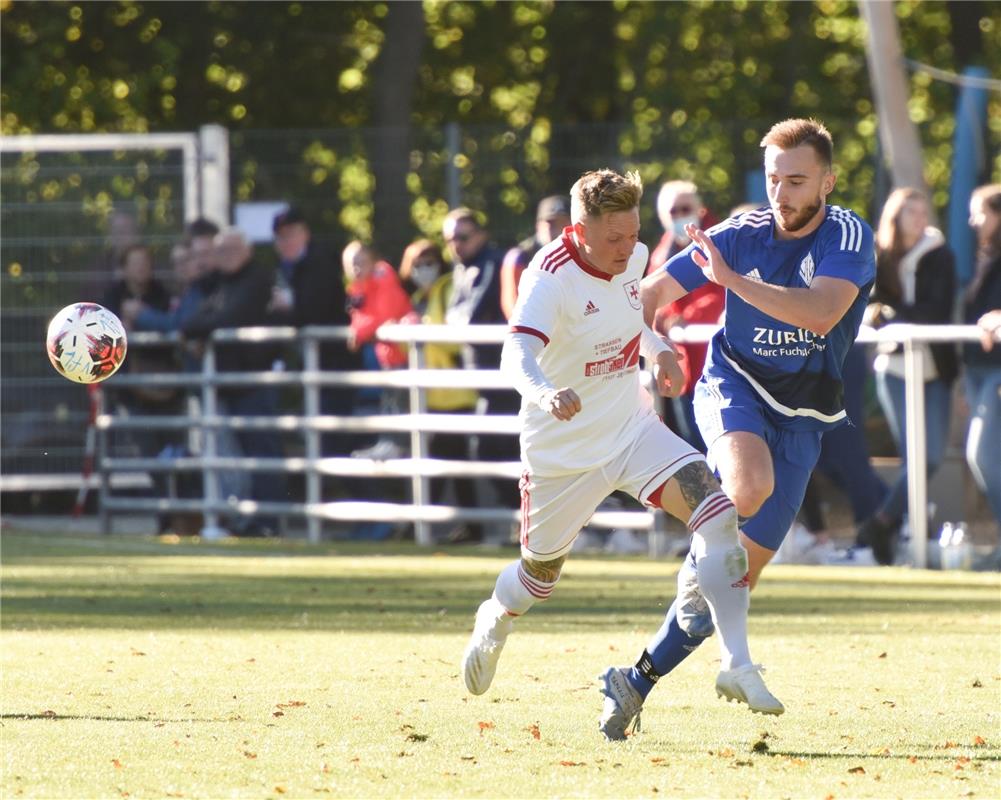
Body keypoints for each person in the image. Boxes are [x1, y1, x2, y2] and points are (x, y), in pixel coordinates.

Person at [460, 168, 782, 741]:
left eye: (633, 235)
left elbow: (634, 318)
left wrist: (657, 350)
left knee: (718, 511)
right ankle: (494, 618)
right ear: (579, 231)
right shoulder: (549, 277)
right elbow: (516, 351)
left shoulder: (631, 258)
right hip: (563, 455)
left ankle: (737, 662)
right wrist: (544, 393)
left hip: (631, 431)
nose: (627, 249)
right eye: (613, 239)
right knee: (538, 580)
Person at [622, 118, 875, 732]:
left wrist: (730, 283)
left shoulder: (849, 235)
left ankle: (633, 681)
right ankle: (704, 572)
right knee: (748, 484)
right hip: (732, 385)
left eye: (796, 180)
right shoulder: (738, 234)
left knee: (732, 583)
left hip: (806, 416)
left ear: (827, 181)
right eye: (772, 180)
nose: (781, 194)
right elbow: (647, 297)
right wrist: (655, 348)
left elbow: (819, 313)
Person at [856, 188, 958, 565]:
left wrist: (891, 316)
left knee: (928, 457)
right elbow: (867, 304)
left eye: (922, 211)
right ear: (894, 217)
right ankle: (902, 530)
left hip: (936, 368)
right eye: (909, 212)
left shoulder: (940, 255)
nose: (918, 218)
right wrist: (878, 314)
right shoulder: (879, 255)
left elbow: (936, 310)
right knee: (913, 459)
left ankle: (882, 522)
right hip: (894, 368)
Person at [182, 227, 287, 536]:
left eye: (231, 250)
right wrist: (201, 330)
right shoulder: (222, 283)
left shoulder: (256, 280)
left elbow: (227, 319)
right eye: (220, 251)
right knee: (234, 458)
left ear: (247, 251)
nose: (224, 257)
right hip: (230, 384)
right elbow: (191, 321)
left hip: (253, 382)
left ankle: (268, 522)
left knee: (262, 454)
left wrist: (202, 331)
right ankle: (245, 519)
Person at [443, 208, 519, 537]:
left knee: (493, 448)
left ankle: (529, 520)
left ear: (481, 235)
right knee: (489, 450)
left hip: (506, 379)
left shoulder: (492, 262)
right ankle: (524, 518)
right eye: (450, 239)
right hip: (485, 381)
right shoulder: (462, 269)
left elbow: (468, 317)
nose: (456, 245)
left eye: (463, 237)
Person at [399, 239, 481, 539]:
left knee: (443, 461)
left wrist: (421, 331)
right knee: (450, 462)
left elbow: (453, 339)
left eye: (429, 262)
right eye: (417, 265)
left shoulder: (447, 288)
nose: (424, 270)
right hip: (433, 394)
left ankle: (417, 525)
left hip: (456, 393)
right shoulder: (420, 296)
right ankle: (471, 526)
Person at [269, 207, 360, 455]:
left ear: (305, 234)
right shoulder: (285, 269)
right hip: (313, 364)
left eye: (291, 235)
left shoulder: (319, 264)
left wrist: (287, 308)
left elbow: (313, 313)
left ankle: (358, 490)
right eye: (280, 237)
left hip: (335, 363)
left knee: (333, 440)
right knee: (324, 439)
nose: (285, 242)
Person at [645, 181, 725, 451]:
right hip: (681, 369)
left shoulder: (721, 239)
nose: (680, 215)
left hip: (716, 365)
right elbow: (652, 300)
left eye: (686, 208)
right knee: (691, 448)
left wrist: (687, 316)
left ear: (699, 208)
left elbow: (726, 292)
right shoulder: (660, 253)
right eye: (673, 211)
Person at [342, 240, 414, 461]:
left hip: (403, 353)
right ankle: (388, 443)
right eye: (351, 264)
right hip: (389, 356)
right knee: (390, 401)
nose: (356, 268)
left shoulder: (383, 280)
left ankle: (397, 445)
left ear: (373, 261)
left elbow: (383, 315)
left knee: (400, 402)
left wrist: (358, 332)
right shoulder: (360, 289)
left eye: (361, 262)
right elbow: (363, 318)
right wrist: (358, 329)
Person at [962, 185, 1001, 568]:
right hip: (977, 369)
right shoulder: (986, 255)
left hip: (996, 371)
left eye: (980, 213)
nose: (973, 221)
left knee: (983, 456)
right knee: (984, 457)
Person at [499, 195, 572, 320]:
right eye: (550, 223)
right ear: (538, 225)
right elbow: (511, 306)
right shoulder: (519, 257)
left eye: (563, 222)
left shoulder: (584, 254)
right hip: (534, 327)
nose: (555, 229)